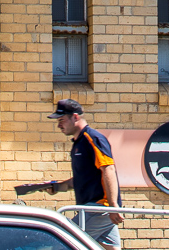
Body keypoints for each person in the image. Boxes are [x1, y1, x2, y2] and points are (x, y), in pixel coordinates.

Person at [15, 99, 124, 248]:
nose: (59, 125)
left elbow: (108, 169)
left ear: (75, 117)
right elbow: (83, 180)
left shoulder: (92, 139)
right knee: (109, 247)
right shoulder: (78, 144)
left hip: (99, 209)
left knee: (64, 242)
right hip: (94, 209)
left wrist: (112, 206)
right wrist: (58, 187)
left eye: (62, 120)